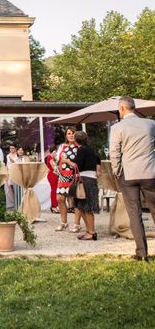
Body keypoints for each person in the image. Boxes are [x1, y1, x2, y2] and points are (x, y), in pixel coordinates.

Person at [110, 96, 155, 261]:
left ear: (122, 108)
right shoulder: (151, 124)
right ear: (134, 108)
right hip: (150, 173)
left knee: (134, 214)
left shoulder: (117, 128)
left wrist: (116, 171)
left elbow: (114, 153)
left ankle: (142, 253)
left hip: (128, 175)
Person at [63, 131, 100, 241]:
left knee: (87, 207)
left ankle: (92, 232)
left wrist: (66, 161)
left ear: (75, 140)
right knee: (82, 207)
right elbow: (98, 160)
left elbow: (76, 165)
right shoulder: (89, 149)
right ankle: (88, 231)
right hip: (90, 179)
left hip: (85, 180)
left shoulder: (81, 149)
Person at [54, 126, 78, 232]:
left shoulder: (78, 147)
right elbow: (57, 160)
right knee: (60, 198)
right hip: (63, 176)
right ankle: (63, 222)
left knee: (77, 200)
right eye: (69, 133)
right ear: (66, 135)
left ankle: (76, 224)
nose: (71, 135)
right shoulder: (62, 146)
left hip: (74, 176)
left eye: (73, 133)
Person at [44, 145, 59, 213]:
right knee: (54, 190)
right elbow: (54, 168)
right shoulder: (50, 158)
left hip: (53, 175)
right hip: (52, 175)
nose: (56, 154)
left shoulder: (51, 158)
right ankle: (54, 206)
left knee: (54, 190)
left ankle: (54, 205)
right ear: (53, 151)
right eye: (55, 152)